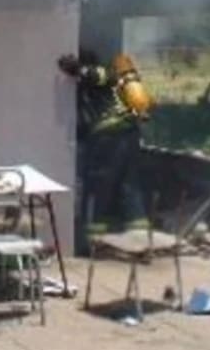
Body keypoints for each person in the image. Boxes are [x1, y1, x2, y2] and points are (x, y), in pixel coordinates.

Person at [58, 51, 153, 248]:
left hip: (109, 137)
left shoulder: (104, 74)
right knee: (129, 182)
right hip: (130, 133)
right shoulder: (117, 81)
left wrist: (74, 68)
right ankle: (140, 233)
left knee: (97, 183)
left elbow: (94, 75)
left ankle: (92, 237)